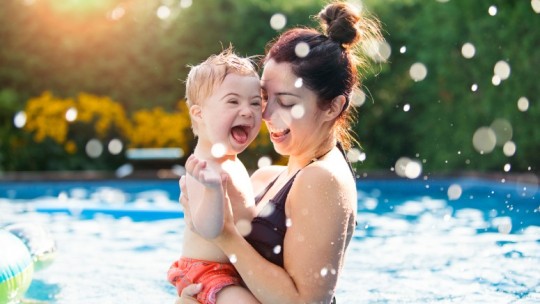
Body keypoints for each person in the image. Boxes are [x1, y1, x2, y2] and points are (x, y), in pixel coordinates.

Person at [178, 1, 382, 303]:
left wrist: (224, 235)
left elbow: (306, 302)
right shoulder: (268, 177)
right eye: (263, 97)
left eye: (286, 102)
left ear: (333, 107)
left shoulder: (321, 179)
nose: (266, 114)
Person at [167, 47, 263, 304]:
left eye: (255, 102)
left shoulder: (231, 160)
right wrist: (212, 190)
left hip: (234, 270)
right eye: (233, 101)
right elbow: (209, 229)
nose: (248, 111)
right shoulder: (202, 168)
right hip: (207, 272)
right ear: (199, 114)